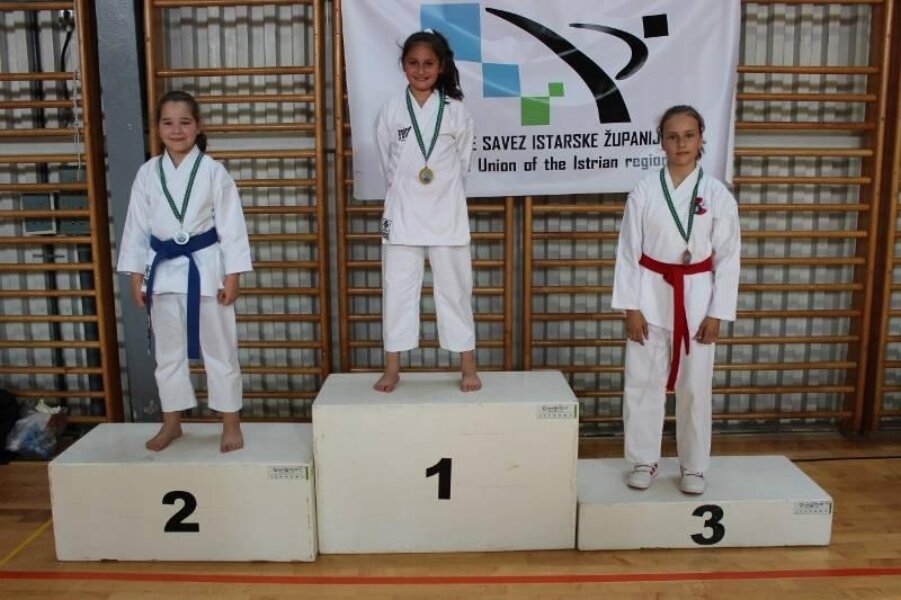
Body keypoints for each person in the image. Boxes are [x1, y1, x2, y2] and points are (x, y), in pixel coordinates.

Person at [611, 105, 740, 494]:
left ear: (701, 139)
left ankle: (694, 466)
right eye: (672, 136)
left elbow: (728, 257)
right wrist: (631, 307)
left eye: (688, 135)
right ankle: (643, 460)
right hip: (649, 293)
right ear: (661, 142)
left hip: (697, 297)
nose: (681, 143)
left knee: (696, 387)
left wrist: (717, 313)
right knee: (642, 382)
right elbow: (628, 251)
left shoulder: (717, 194)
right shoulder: (645, 189)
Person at [117, 90, 253, 453]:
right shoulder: (148, 173)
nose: (176, 130)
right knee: (168, 354)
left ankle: (230, 423)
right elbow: (136, 227)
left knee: (220, 349)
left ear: (198, 126)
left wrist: (233, 275)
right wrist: (136, 274)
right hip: (162, 273)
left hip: (205, 270)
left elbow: (232, 227)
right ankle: (172, 423)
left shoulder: (213, 172)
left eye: (184, 122)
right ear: (157, 128)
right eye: (168, 123)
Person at [372, 30, 481, 393]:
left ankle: (468, 366)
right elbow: (387, 163)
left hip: (446, 213)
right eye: (413, 63)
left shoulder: (456, 112)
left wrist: (438, 190)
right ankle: (392, 367)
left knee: (456, 291)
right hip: (403, 212)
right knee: (397, 291)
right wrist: (408, 189)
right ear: (403, 66)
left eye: (428, 64)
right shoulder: (391, 110)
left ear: (441, 67)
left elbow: (463, 163)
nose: (421, 70)